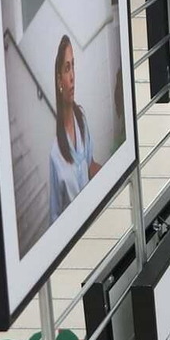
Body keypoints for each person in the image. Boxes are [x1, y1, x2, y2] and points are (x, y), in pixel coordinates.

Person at [47, 36, 100, 220]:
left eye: (73, 66)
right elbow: (55, 215)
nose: (72, 76)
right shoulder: (55, 154)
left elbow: (91, 165)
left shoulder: (81, 119)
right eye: (67, 68)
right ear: (59, 80)